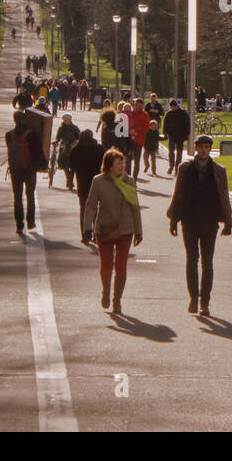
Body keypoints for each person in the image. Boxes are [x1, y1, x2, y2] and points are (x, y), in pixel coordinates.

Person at [167, 135, 232, 316]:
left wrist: (228, 221)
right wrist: (174, 218)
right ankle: (193, 298)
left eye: (207, 147)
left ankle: (205, 300)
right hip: (189, 220)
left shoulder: (219, 170)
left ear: (210, 149)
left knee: (208, 262)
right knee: (191, 259)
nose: (204, 150)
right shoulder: (185, 168)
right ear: (195, 148)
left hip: (210, 221)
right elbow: (178, 193)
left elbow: (224, 196)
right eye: (201, 147)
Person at [83, 149, 142, 314]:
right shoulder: (99, 181)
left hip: (126, 229)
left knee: (121, 266)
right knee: (106, 266)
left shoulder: (129, 181)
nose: (122, 166)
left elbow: (135, 207)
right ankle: (106, 291)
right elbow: (91, 206)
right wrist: (87, 228)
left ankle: (117, 300)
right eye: (118, 164)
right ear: (108, 166)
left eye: (122, 162)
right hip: (105, 228)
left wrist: (138, 231)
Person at [5, 111, 48, 235]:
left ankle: (19, 224)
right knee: (30, 195)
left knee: (17, 197)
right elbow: (38, 151)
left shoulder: (9, 135)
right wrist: (43, 165)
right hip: (29, 169)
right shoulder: (32, 134)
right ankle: (30, 221)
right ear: (24, 120)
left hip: (15, 170)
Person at [69, 130, 105, 244]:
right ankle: (96, 234)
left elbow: (71, 165)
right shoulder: (99, 148)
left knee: (84, 209)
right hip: (96, 183)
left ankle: (85, 234)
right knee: (96, 210)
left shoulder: (76, 149)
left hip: (82, 183)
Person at [52, 112, 81, 190]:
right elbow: (58, 137)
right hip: (64, 147)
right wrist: (56, 142)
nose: (65, 121)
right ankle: (69, 179)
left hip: (73, 147)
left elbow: (79, 138)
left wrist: (75, 143)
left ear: (70, 120)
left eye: (67, 120)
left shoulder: (75, 128)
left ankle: (70, 181)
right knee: (62, 163)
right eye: (64, 120)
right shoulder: (61, 128)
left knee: (71, 165)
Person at [162, 99, 190, 175]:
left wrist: (186, 135)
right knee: (171, 151)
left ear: (176, 106)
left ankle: (177, 167)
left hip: (180, 135)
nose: (172, 109)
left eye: (173, 107)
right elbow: (165, 123)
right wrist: (165, 132)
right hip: (172, 135)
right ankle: (171, 166)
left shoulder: (183, 113)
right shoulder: (169, 113)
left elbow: (187, 124)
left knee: (179, 152)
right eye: (171, 107)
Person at [126, 98, 150, 178]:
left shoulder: (145, 115)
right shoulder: (130, 114)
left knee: (137, 161)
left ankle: (134, 178)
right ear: (134, 105)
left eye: (139, 106)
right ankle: (128, 177)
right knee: (128, 160)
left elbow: (146, 128)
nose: (137, 107)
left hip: (139, 141)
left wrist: (136, 131)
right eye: (136, 105)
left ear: (142, 106)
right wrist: (129, 131)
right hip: (129, 140)